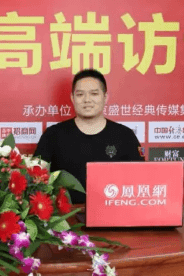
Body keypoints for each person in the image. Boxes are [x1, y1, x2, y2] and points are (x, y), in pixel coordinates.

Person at [34, 69, 144, 204]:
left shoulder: (125, 136)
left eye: (94, 94)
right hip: (65, 215)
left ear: (105, 97)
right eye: (80, 94)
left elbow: (140, 181)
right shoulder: (53, 135)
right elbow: (35, 178)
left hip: (114, 212)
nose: (87, 100)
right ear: (72, 98)